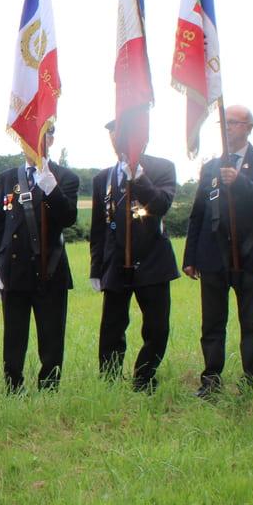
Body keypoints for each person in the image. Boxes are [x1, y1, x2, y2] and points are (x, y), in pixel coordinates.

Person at [182, 105, 253, 396]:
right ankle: (210, 381)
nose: (227, 128)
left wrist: (240, 182)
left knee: (250, 323)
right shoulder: (211, 166)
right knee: (212, 323)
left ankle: (251, 381)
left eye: (234, 123)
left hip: (250, 255)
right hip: (213, 255)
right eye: (223, 123)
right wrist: (190, 257)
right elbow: (198, 212)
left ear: (249, 127)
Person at [0, 124, 80, 392]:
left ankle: (49, 388)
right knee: (14, 335)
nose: (37, 142)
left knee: (51, 335)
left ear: (51, 139)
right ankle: (13, 386)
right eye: (29, 137)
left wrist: (50, 188)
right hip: (13, 270)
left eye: (44, 135)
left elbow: (67, 218)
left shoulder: (65, 177)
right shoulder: (7, 178)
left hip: (49, 268)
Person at [89, 121, 180, 393]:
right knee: (112, 329)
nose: (118, 139)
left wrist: (138, 177)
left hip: (153, 261)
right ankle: (109, 381)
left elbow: (160, 205)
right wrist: (96, 267)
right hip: (115, 263)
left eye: (124, 132)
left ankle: (144, 377)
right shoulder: (102, 178)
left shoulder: (162, 168)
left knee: (156, 327)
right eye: (113, 134)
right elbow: (98, 227)